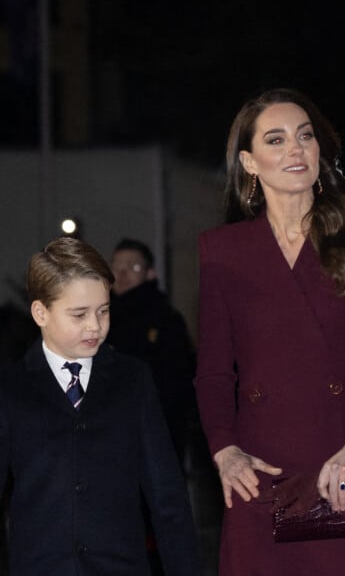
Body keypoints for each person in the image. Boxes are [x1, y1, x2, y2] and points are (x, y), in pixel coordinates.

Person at [194, 87, 345, 575]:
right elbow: (212, 372)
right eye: (276, 140)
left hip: (339, 464)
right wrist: (224, 451)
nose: (295, 149)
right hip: (258, 472)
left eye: (305, 136)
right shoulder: (222, 251)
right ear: (250, 163)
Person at [0, 236, 199, 576]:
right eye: (79, 314)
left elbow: (167, 498)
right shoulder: (11, 388)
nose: (95, 325)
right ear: (40, 312)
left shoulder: (133, 380)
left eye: (103, 311)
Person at [107, 237, 197, 465]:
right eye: (117, 267)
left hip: (155, 434)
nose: (123, 274)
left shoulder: (166, 321)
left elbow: (178, 380)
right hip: (108, 435)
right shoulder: (99, 319)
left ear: (150, 273)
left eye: (133, 267)